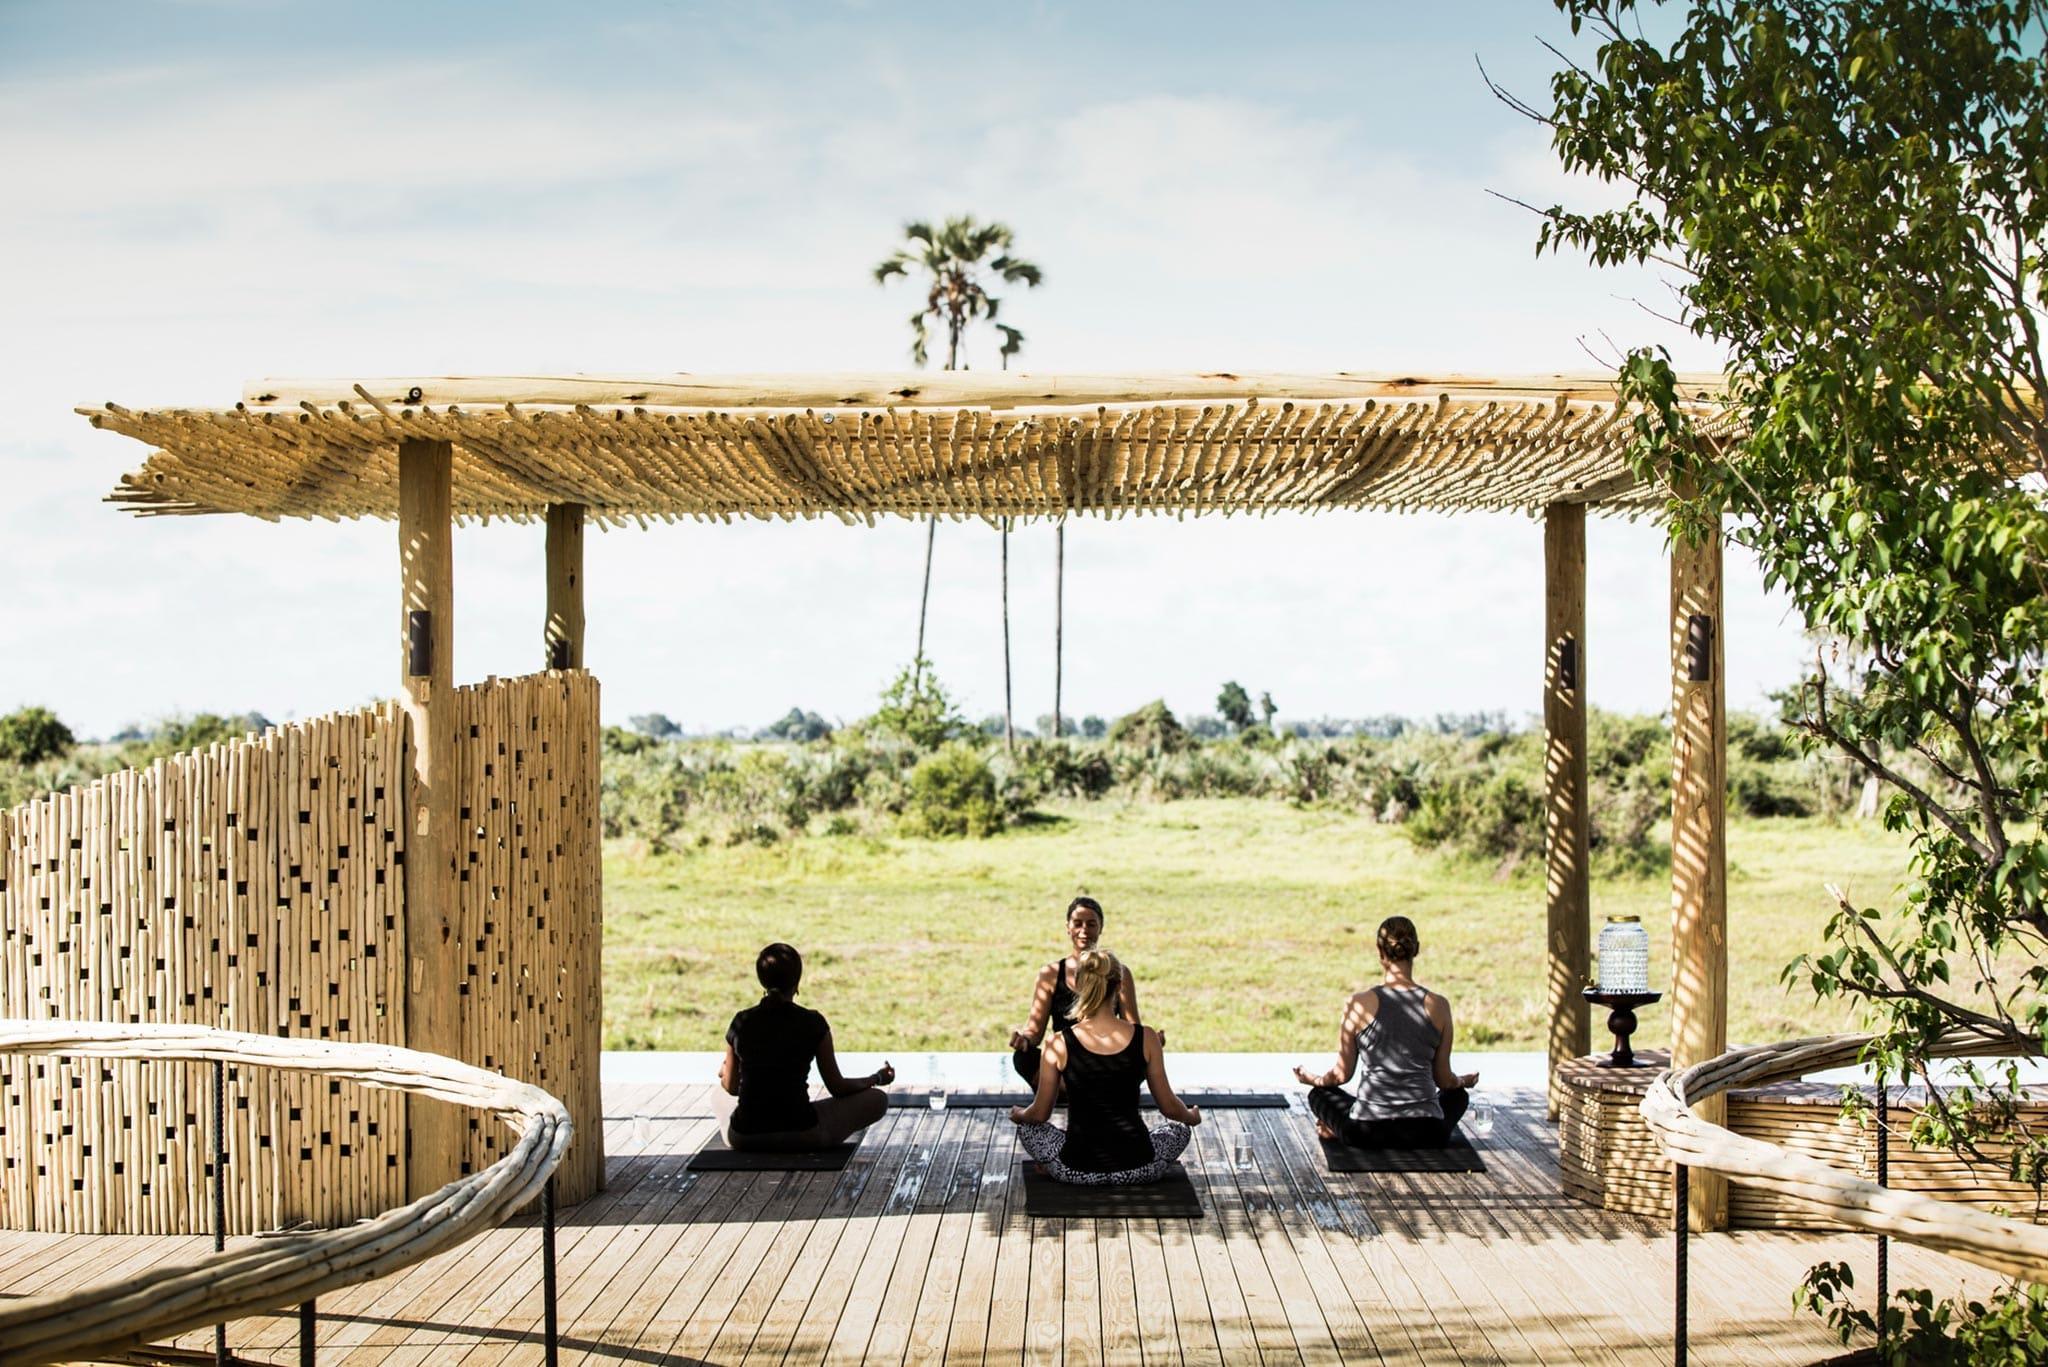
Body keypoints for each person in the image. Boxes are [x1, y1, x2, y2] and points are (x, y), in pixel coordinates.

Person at [1009, 948, 1199, 1184]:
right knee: (1180, 1129)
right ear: (1120, 986)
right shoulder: (1147, 1037)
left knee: (1028, 1128)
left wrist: (1018, 1114)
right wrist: (1191, 1116)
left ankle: (1052, 1167)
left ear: (1078, 985)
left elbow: (1039, 1114)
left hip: (1076, 1170)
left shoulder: (1058, 1042)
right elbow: (1170, 1108)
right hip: (1139, 1169)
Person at [1292, 915, 1479, 1149]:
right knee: (1458, 1095)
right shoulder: (1439, 1005)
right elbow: (1443, 1079)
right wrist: (1464, 1081)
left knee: (1318, 1095)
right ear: (1416, 949)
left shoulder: (1357, 1004)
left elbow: (1340, 1077)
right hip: (1428, 1132)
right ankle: (1340, 1128)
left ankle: (1334, 1129)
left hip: (1368, 1133)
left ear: (1380, 953)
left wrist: (1312, 1080)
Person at [714, 942, 894, 1151]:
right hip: (802, 1133)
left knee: (718, 1096)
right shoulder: (813, 1022)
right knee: (878, 1099)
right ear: (797, 981)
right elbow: (837, 1087)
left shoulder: (741, 1021)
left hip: (746, 1137)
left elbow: (731, 1087)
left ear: (761, 979)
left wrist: (725, 1072)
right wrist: (877, 1078)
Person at [1009, 896, 1143, 1087]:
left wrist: (1148, 1040)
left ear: (1101, 928)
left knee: (1143, 1054)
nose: (1084, 931)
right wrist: (1024, 1040)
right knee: (1023, 1058)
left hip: (1106, 1056)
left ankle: (1066, 1090)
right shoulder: (1050, 974)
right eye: (1078, 924)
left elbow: (1132, 1026)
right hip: (1065, 1060)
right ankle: (1086, 1090)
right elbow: (1035, 1030)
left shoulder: (1119, 972)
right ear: (1068, 927)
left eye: (1091, 924)